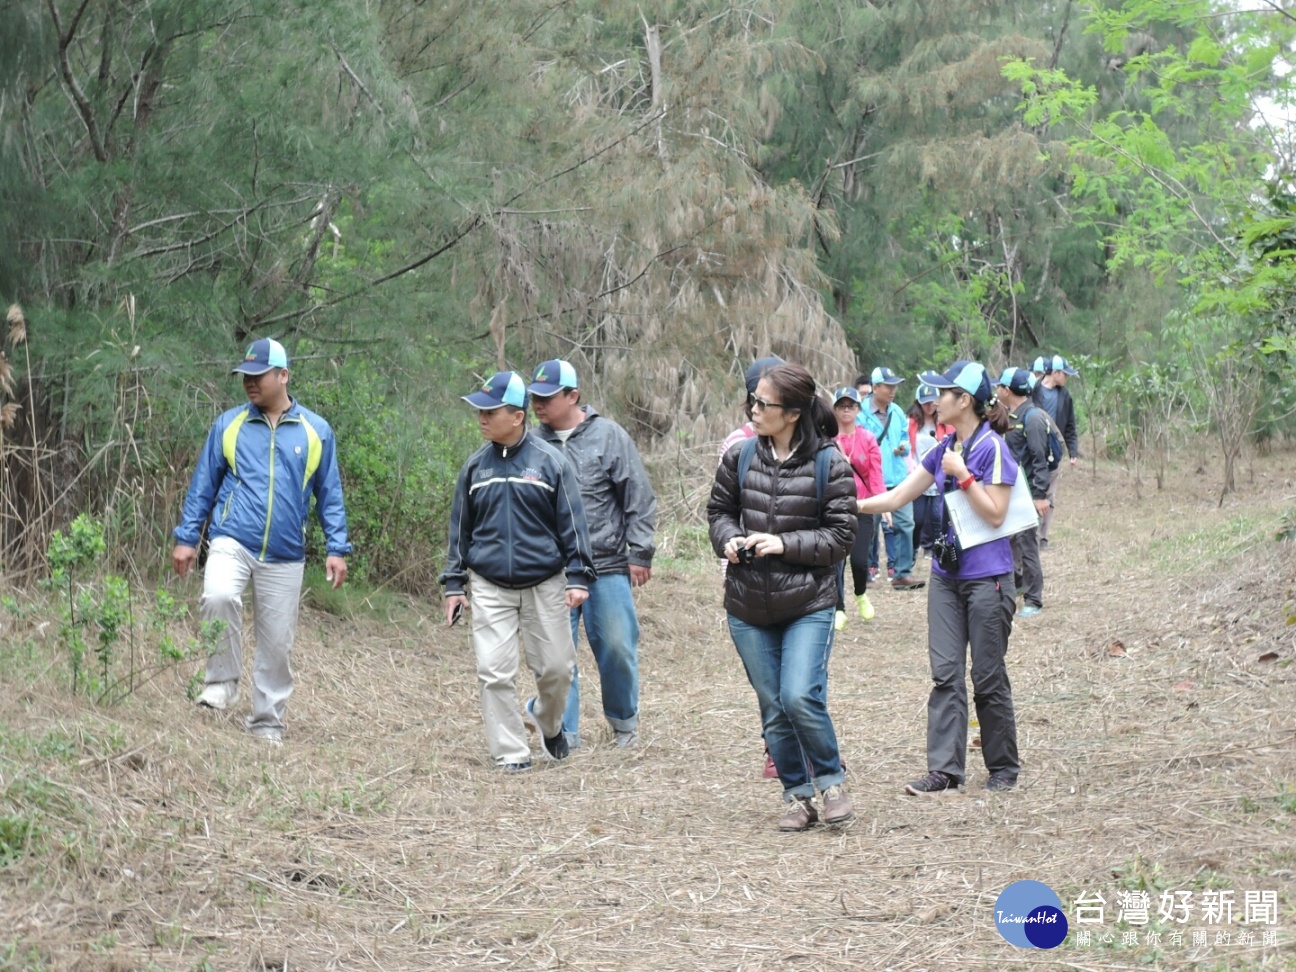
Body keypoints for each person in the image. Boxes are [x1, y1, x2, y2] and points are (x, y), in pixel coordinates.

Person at [172, 338, 351, 745]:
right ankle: (221, 682)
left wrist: (336, 548)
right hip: (232, 538)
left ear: (283, 375)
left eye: (258, 375)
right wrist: (187, 538)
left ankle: (267, 721)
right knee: (217, 595)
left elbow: (330, 494)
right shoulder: (230, 424)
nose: (249, 383)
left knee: (277, 643)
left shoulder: (315, 430)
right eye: (245, 377)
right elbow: (203, 484)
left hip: (286, 552)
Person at [857, 361, 1021, 795]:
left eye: (942, 393)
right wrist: (849, 506)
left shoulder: (993, 449)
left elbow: (996, 513)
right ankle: (945, 772)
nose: (933, 400)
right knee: (945, 673)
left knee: (987, 676)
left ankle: (1003, 767)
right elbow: (897, 495)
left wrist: (962, 475)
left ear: (963, 400)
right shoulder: (941, 447)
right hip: (946, 577)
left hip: (989, 579)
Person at [708, 363, 858, 831]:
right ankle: (797, 796)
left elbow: (842, 537)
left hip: (808, 603)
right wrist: (729, 539)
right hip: (748, 606)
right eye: (753, 401)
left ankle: (831, 783)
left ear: (792, 413)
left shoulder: (828, 463)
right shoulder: (740, 456)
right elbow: (718, 512)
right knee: (772, 705)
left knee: (798, 695)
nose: (753, 410)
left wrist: (784, 544)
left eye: (763, 404)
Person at [440, 371, 597, 772]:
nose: (481, 418)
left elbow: (573, 524)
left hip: (545, 583)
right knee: (494, 671)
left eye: (490, 411)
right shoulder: (475, 468)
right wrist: (454, 585)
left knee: (558, 669)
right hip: (490, 585)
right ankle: (511, 753)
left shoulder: (551, 464)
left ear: (517, 416)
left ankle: (548, 721)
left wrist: (579, 576)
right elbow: (459, 530)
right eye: (480, 411)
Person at [529, 359, 656, 749]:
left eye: (548, 397)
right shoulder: (530, 445)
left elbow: (638, 496)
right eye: (535, 397)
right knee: (557, 657)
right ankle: (562, 734)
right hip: (552, 570)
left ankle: (624, 725)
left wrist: (640, 552)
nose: (539, 405)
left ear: (573, 396)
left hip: (607, 562)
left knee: (617, 646)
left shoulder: (609, 436)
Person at [858, 367, 923, 590]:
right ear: (875, 388)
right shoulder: (860, 413)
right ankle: (864, 572)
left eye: (895, 385)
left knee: (906, 524)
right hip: (871, 480)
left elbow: (904, 436)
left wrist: (903, 447)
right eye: (888, 386)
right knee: (868, 528)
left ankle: (902, 573)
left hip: (897, 476)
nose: (893, 390)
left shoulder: (896, 411)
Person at [997, 368, 1053, 617]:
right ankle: (1017, 585)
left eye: (999, 386)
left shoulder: (1032, 418)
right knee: (1010, 543)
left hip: (1029, 494)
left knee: (1028, 545)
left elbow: (1040, 460)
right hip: (1012, 492)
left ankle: (1033, 599)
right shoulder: (1012, 415)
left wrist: (1040, 496)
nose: (996, 390)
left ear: (1007, 390)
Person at [832, 386, 885, 626]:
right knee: (836, 561)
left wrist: (882, 502)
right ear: (834, 410)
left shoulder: (867, 438)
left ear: (858, 409)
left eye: (851, 406)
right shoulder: (827, 440)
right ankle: (838, 607)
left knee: (860, 560)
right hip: (833, 508)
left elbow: (875, 473)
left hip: (862, 506)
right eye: (841, 406)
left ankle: (861, 594)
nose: (846, 410)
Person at [1031, 355, 1081, 549]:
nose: (1066, 378)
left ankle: (1042, 537)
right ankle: (1029, 533)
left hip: (1053, 451)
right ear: (1055, 373)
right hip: (1033, 447)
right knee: (1032, 490)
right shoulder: (1033, 390)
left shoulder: (1065, 396)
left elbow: (1070, 425)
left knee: (1049, 495)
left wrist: (1072, 451)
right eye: (1064, 374)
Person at [907, 384, 953, 558]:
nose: (929, 406)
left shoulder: (945, 423)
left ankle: (934, 549)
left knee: (936, 516)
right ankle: (914, 546)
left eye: (932, 402)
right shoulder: (911, 423)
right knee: (917, 518)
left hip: (938, 476)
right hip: (917, 475)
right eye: (925, 402)